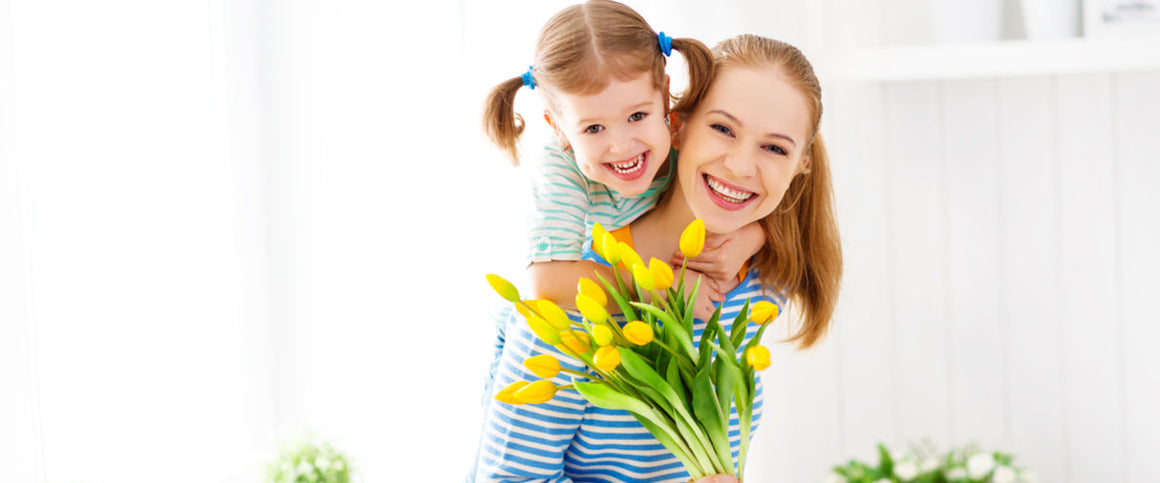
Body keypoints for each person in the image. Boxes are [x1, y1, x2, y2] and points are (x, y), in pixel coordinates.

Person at [471, 34, 843, 482]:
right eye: (723, 129)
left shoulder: (760, 285)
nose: (742, 167)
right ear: (676, 124)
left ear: (801, 164)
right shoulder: (578, 301)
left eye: (775, 148)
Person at [482, 0, 765, 316]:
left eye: (637, 115)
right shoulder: (562, 170)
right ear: (559, 129)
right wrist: (651, 285)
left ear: (664, 96)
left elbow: (740, 189)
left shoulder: (685, 132)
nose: (620, 146)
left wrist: (751, 237)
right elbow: (545, 282)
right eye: (594, 128)